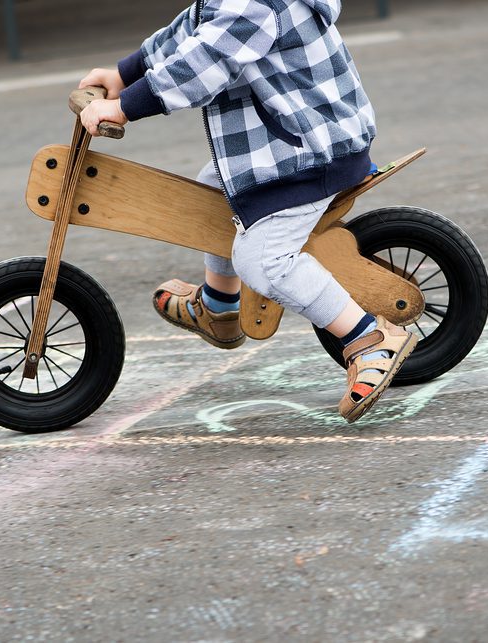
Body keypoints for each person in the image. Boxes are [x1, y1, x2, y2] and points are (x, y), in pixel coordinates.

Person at [78, 0, 416, 422]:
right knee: (209, 191)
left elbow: (207, 59)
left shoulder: (258, 4)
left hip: (308, 153)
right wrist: (125, 72)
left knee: (262, 262)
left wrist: (125, 104)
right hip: (284, 147)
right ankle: (220, 309)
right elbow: (195, 27)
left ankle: (369, 339)